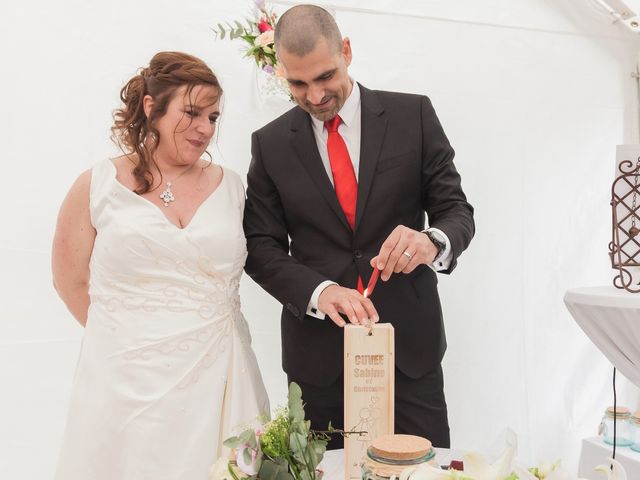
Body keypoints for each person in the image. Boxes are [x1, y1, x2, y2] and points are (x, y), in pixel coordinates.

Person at [243, 5, 474, 449]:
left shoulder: (415, 116)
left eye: (325, 76)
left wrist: (430, 242)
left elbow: (456, 211)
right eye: (297, 83)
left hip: (410, 350)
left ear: (346, 50)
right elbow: (261, 246)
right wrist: (319, 292)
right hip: (318, 361)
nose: (314, 96)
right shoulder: (269, 145)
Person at [52, 51, 269, 479]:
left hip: (221, 377)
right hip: (124, 382)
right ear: (151, 108)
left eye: (213, 117)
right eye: (192, 113)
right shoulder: (97, 185)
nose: (205, 129)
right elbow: (70, 281)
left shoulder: (232, 188)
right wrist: (124, 340)